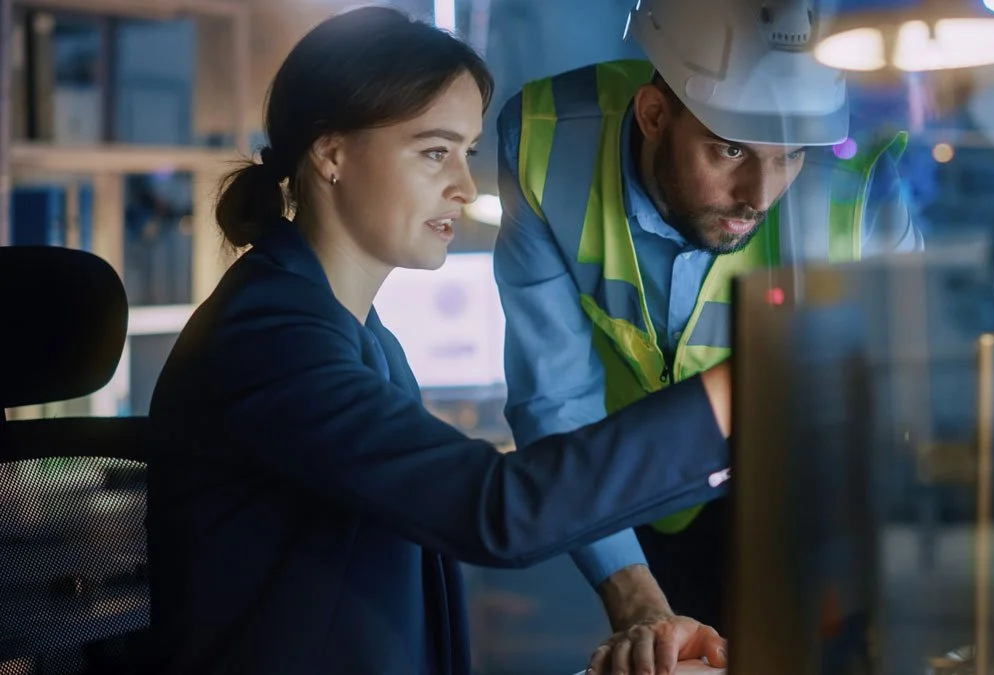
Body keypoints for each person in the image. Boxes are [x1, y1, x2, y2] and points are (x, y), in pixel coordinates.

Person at [145, 7, 734, 675]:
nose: (464, 185)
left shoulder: (359, 334)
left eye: (468, 152)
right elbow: (495, 510)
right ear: (331, 153)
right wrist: (725, 401)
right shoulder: (272, 339)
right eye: (434, 151)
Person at [493, 0, 924, 655]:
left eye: (791, 155)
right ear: (654, 115)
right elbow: (553, 396)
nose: (762, 191)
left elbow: (908, 386)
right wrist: (636, 598)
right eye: (730, 148)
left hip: (799, 493)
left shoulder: (861, 174)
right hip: (618, 485)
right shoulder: (545, 141)